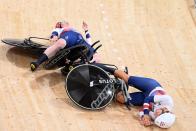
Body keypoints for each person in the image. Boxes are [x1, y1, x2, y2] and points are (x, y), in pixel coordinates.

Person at [93, 63, 176, 128]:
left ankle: (118, 86)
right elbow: (148, 99)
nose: (156, 113)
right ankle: (101, 67)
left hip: (144, 98)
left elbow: (141, 109)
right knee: (126, 78)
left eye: (157, 116)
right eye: (159, 113)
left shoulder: (157, 118)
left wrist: (143, 117)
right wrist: (146, 114)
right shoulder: (168, 101)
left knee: (120, 99)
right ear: (167, 111)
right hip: (151, 87)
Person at [30, 21, 97, 71]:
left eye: (62, 22)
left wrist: (86, 30)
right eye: (60, 23)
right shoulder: (60, 29)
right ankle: (38, 62)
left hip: (81, 41)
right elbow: (55, 33)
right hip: (70, 38)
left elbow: (89, 43)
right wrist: (54, 36)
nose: (60, 23)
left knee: (96, 56)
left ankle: (88, 68)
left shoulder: (72, 29)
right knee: (61, 43)